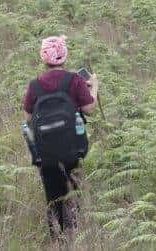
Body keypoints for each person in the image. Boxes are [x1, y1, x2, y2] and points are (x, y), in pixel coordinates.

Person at [23, 36, 98, 242]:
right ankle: (73, 236)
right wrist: (94, 87)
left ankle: (56, 239)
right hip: (72, 149)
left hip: (45, 152)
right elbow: (89, 109)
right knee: (73, 191)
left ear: (43, 57)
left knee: (52, 196)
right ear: (65, 56)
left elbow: (28, 118)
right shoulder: (74, 80)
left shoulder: (35, 85)